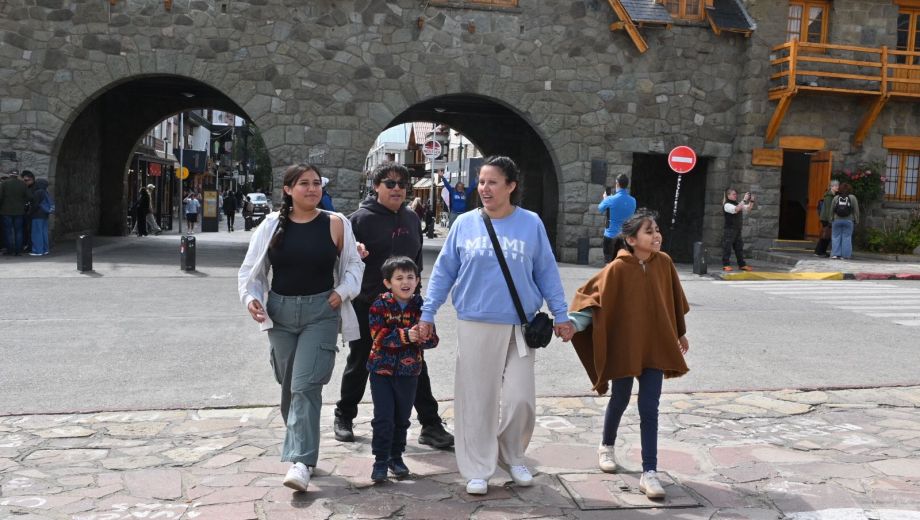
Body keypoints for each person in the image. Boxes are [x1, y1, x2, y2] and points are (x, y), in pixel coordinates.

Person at [418, 156, 576, 496]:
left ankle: (512, 454)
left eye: (492, 182)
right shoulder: (464, 224)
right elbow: (444, 271)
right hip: (475, 321)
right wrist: (428, 312)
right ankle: (477, 466)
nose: (484, 189)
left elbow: (546, 271)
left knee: (521, 399)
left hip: (520, 325)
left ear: (511, 186)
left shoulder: (530, 224)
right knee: (477, 399)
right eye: (482, 182)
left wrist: (561, 314)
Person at [238, 164, 364, 493]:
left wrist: (342, 291)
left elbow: (353, 263)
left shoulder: (337, 224)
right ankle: (301, 447)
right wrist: (251, 298)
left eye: (316, 184)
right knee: (287, 386)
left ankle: (301, 461)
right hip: (279, 313)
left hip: (321, 312)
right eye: (304, 184)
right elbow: (251, 270)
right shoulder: (270, 225)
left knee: (305, 386)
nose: (312, 189)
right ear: (288, 189)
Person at [569, 209, 690, 500]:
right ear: (631, 239)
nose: (656, 235)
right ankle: (606, 446)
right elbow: (589, 297)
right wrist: (573, 324)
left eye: (657, 229)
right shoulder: (616, 269)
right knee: (620, 398)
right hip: (625, 346)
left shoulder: (665, 263)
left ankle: (650, 472)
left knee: (650, 407)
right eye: (649, 231)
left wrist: (680, 333)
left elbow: (671, 302)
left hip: (656, 346)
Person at [333, 162, 454, 450]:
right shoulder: (359, 220)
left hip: (406, 308)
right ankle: (344, 416)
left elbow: (417, 260)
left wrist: (420, 303)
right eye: (390, 183)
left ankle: (431, 424)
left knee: (416, 365)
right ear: (376, 187)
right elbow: (340, 261)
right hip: (369, 306)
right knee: (361, 361)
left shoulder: (412, 219)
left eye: (402, 184)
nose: (397, 188)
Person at [367, 256, 440, 483]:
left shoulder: (422, 306)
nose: (405, 282)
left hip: (410, 374)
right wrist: (407, 335)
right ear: (388, 283)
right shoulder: (379, 306)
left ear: (418, 280)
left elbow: (433, 339)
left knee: (402, 418)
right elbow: (378, 338)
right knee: (384, 417)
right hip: (381, 371)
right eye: (399, 278)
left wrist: (424, 336)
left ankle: (396, 457)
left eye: (410, 277)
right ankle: (380, 461)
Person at [598, 174, 637, 263]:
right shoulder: (633, 200)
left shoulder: (610, 199)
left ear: (617, 183)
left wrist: (605, 199)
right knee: (623, 264)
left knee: (609, 264)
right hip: (625, 238)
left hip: (610, 236)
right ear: (626, 185)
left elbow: (600, 208)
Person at [721, 188, 755, 272]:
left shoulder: (737, 203)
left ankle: (742, 265)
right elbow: (736, 209)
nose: (735, 195)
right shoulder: (727, 204)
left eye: (736, 194)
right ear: (728, 195)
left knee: (739, 248)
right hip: (729, 230)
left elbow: (748, 208)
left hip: (737, 230)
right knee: (727, 248)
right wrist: (744, 199)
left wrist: (751, 201)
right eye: (733, 194)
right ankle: (726, 265)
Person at [0, 172, 33, 256]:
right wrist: (23, 202)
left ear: (10, 175)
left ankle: (10, 250)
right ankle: (18, 250)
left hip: (6, 210)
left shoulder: (4, 183)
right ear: (17, 175)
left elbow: (0, 197)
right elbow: (29, 196)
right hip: (19, 211)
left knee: (8, 231)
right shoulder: (22, 184)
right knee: (19, 231)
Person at [831, 182, 859, 260]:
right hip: (849, 220)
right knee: (847, 237)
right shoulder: (852, 197)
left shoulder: (836, 197)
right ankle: (845, 255)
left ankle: (836, 254)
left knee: (836, 236)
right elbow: (856, 210)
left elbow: (832, 209)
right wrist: (856, 220)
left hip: (836, 220)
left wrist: (831, 219)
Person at [814, 180, 839, 258]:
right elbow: (829, 209)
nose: (837, 187)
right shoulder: (829, 196)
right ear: (831, 187)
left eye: (837, 185)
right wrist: (830, 220)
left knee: (827, 235)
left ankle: (821, 251)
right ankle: (819, 251)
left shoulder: (832, 195)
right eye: (835, 186)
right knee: (826, 235)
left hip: (827, 218)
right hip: (826, 218)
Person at [28, 178, 52, 256]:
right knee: (44, 233)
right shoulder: (46, 192)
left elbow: (35, 205)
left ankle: (38, 250)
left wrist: (29, 213)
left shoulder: (38, 192)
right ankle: (45, 249)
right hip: (45, 214)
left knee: (36, 233)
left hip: (37, 215)